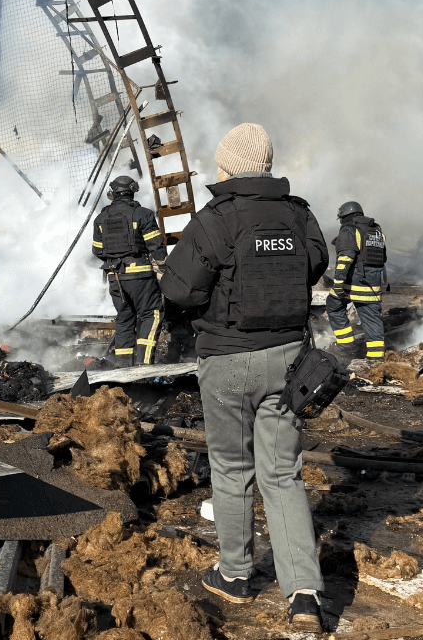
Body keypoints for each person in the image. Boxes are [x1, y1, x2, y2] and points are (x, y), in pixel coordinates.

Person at [160, 123, 328, 632]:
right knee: (282, 474)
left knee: (233, 471)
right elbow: (314, 265)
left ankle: (234, 575)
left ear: (228, 167)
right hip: (290, 362)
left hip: (229, 362)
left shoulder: (216, 219)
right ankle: (304, 595)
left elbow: (179, 289)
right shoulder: (299, 214)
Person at [92, 176, 167, 365]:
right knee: (151, 315)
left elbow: (97, 250)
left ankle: (123, 367)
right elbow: (156, 245)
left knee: (124, 318)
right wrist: (164, 269)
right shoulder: (143, 214)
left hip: (115, 277)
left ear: (112, 193)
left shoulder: (101, 218)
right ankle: (144, 364)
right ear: (133, 190)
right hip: (141, 276)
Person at [326, 201, 386, 361]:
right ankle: (376, 358)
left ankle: (346, 348)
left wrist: (338, 282)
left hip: (353, 284)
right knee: (372, 319)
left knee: (333, 305)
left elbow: (346, 258)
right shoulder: (375, 231)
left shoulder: (349, 229)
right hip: (373, 285)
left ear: (344, 216)